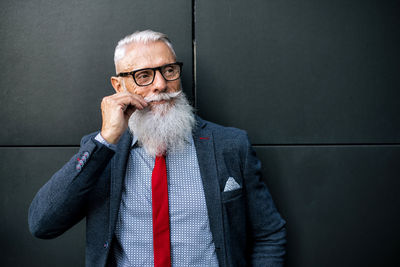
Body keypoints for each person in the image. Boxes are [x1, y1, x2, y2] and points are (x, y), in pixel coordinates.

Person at [28, 30, 286, 267]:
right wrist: (106, 138)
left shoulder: (230, 145)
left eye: (169, 70)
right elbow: (42, 224)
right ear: (119, 87)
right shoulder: (102, 151)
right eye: (144, 75)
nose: (161, 85)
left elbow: (269, 234)